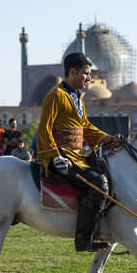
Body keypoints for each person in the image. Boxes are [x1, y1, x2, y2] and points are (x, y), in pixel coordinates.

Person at [37, 52, 121, 252]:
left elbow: (85, 127)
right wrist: (55, 156)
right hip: (63, 157)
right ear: (72, 71)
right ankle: (84, 240)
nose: (89, 78)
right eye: (86, 73)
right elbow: (44, 129)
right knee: (99, 183)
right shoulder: (55, 95)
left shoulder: (77, 97)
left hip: (78, 155)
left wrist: (108, 138)